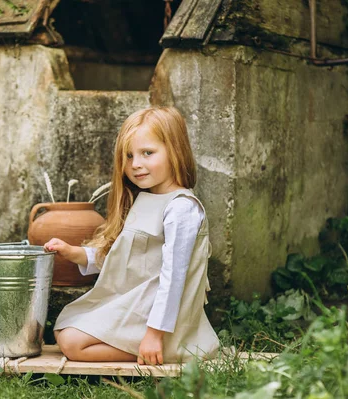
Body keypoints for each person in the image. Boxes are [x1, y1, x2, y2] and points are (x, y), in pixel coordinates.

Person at [44, 106, 219, 365]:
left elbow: (174, 279)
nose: (135, 164)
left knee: (72, 344)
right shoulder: (145, 199)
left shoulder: (181, 207)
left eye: (147, 153)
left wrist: (154, 332)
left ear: (175, 151)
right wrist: (76, 254)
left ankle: (165, 348)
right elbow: (126, 255)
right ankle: (150, 344)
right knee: (64, 327)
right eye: (128, 156)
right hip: (137, 302)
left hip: (158, 314)